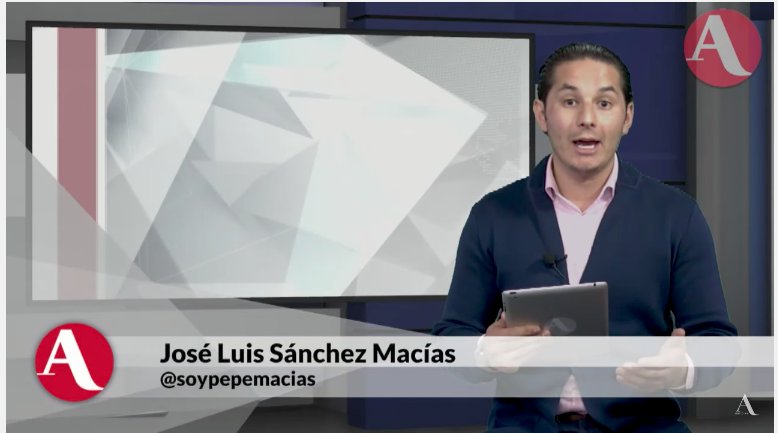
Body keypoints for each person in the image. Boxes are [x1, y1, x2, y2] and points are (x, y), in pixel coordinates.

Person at [431, 42, 737, 433]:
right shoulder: (492, 215)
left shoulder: (676, 215)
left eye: (604, 103)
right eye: (570, 102)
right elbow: (450, 337)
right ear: (541, 113)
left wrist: (686, 367)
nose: (587, 119)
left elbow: (718, 340)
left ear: (627, 117)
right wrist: (483, 353)